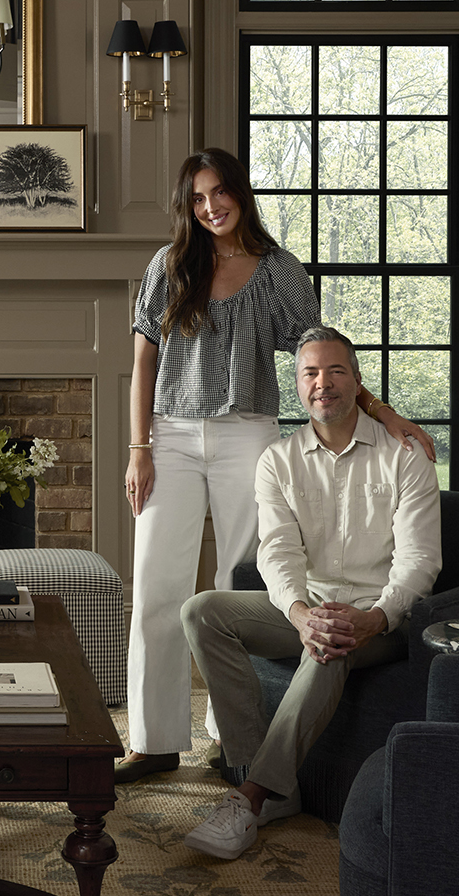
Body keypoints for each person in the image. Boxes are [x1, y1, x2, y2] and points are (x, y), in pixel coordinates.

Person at [119, 148, 433, 784]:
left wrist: (386, 413)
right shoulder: (168, 265)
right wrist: (140, 447)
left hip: (248, 436)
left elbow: (321, 353)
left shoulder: (280, 270)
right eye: (198, 199)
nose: (211, 208)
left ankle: (227, 737)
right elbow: (143, 362)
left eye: (219, 194)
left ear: (239, 192)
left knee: (241, 580)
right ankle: (153, 741)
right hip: (171, 436)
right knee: (158, 584)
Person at [178, 326, 441, 859]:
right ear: (297, 386)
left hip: (382, 618)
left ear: (358, 380)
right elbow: (277, 552)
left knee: (334, 637)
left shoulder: (404, 454)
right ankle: (273, 784)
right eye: (310, 373)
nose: (324, 383)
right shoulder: (278, 460)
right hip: (311, 606)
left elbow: (421, 559)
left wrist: (377, 616)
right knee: (203, 611)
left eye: (336, 370)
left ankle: (249, 799)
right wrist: (299, 613)